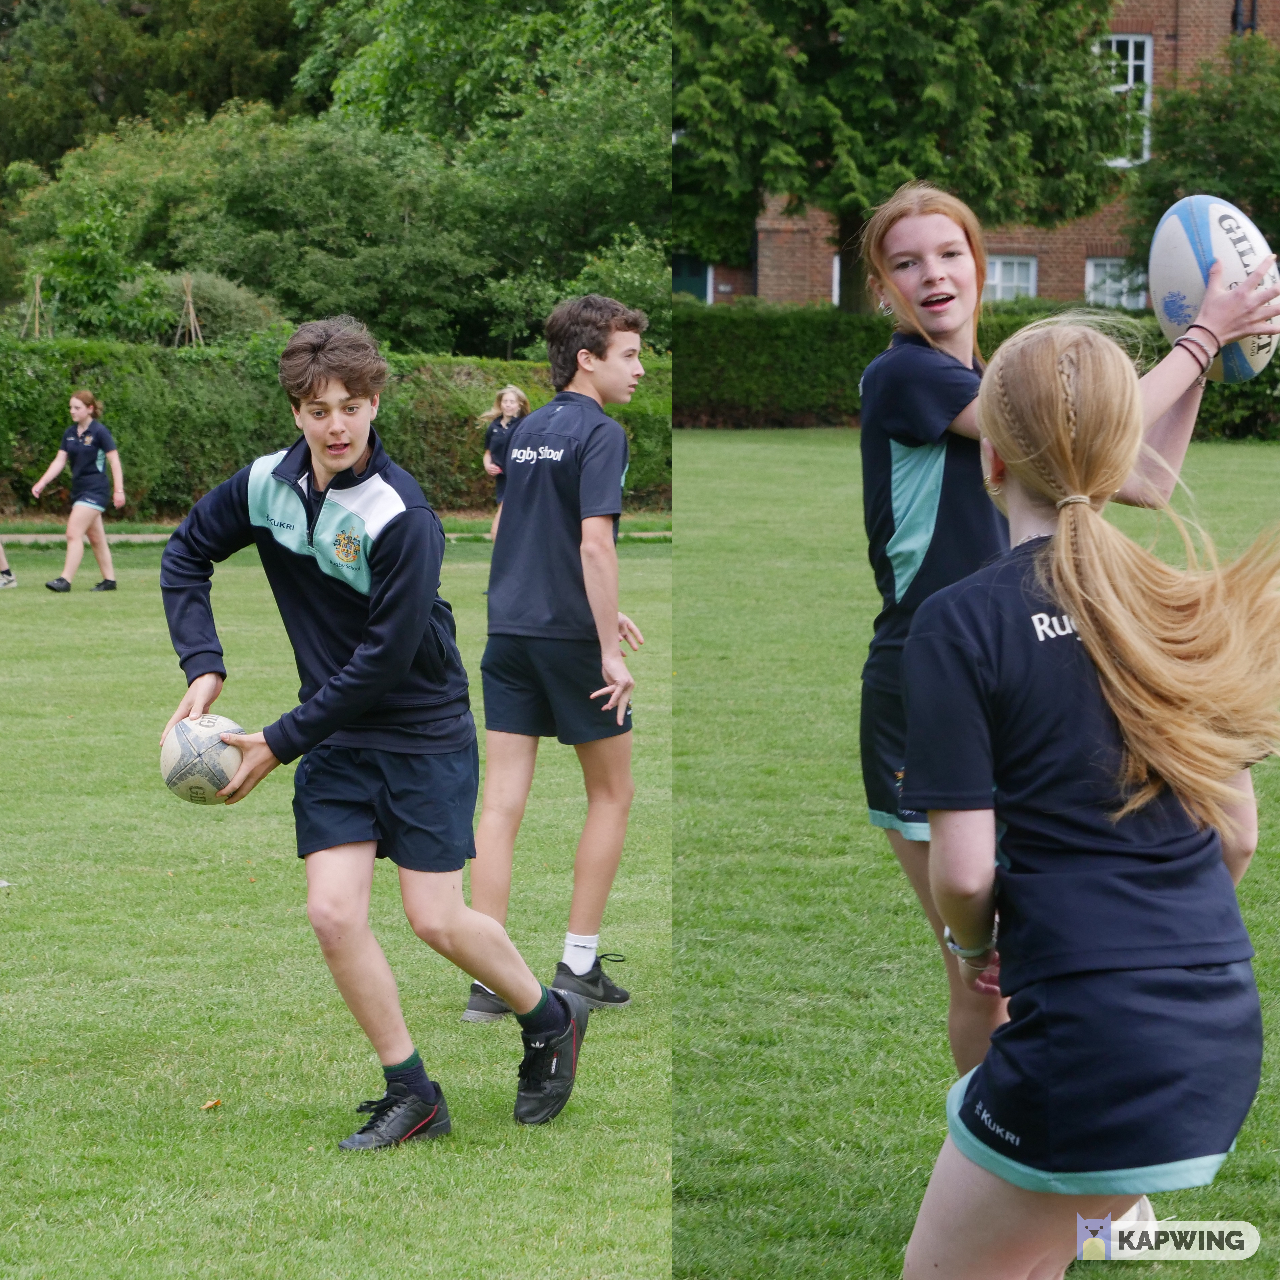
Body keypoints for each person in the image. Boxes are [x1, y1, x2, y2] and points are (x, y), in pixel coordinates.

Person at [857, 181, 1280, 1074]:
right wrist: (1206, 332)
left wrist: (1188, 354)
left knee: (1055, 938)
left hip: (1037, 668)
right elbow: (1063, 432)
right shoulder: (904, 374)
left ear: (979, 265)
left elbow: (1147, 479)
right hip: (930, 679)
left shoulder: (983, 380)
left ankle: (1058, 1157)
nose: (930, 274)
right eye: (904, 263)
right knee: (981, 974)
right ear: (880, 289)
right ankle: (985, 1145)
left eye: (948, 253)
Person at [899, 319, 1277, 1279]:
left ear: (990, 456)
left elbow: (966, 871)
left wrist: (976, 949)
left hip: (1088, 1045)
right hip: (1218, 1034)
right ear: (1123, 457)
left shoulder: (959, 620)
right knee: (1046, 1244)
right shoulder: (1180, 600)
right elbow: (1236, 835)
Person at [160, 316, 590, 1149]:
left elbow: (385, 662)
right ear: (295, 412)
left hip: (421, 729)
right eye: (318, 409)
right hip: (334, 732)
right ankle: (413, 1092)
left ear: (374, 401)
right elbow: (185, 554)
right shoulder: (263, 488)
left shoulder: (403, 514)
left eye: (351, 406)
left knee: (435, 918)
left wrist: (278, 742)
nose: (337, 425)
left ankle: (548, 1017)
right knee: (331, 913)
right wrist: (202, 664)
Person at [462, 295, 645, 1023]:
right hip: (569, 642)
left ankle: (487, 977)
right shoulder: (603, 433)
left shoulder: (527, 427)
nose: (639, 369)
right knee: (612, 794)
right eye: (628, 355)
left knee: (501, 804)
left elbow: (518, 527)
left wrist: (602, 608)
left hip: (508, 633)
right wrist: (606, 647)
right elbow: (592, 542)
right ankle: (577, 966)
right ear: (587, 359)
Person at [31, 389, 125, 593]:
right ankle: (109, 581)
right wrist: (42, 482)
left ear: (89, 409)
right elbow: (60, 460)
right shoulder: (70, 433)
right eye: (71, 407)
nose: (72, 411)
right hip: (80, 490)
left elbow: (114, 461)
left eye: (77, 408)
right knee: (96, 538)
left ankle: (65, 580)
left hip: (96, 489)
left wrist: (119, 490)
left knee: (73, 533)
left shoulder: (100, 432)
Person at [480, 385, 531, 539]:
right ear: (500, 404)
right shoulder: (493, 427)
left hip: (518, 478)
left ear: (519, 405)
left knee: (500, 522)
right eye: (505, 401)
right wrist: (488, 465)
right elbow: (487, 453)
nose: (508, 404)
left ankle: (498, 542)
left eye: (512, 401)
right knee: (510, 518)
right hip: (502, 480)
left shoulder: (524, 425)